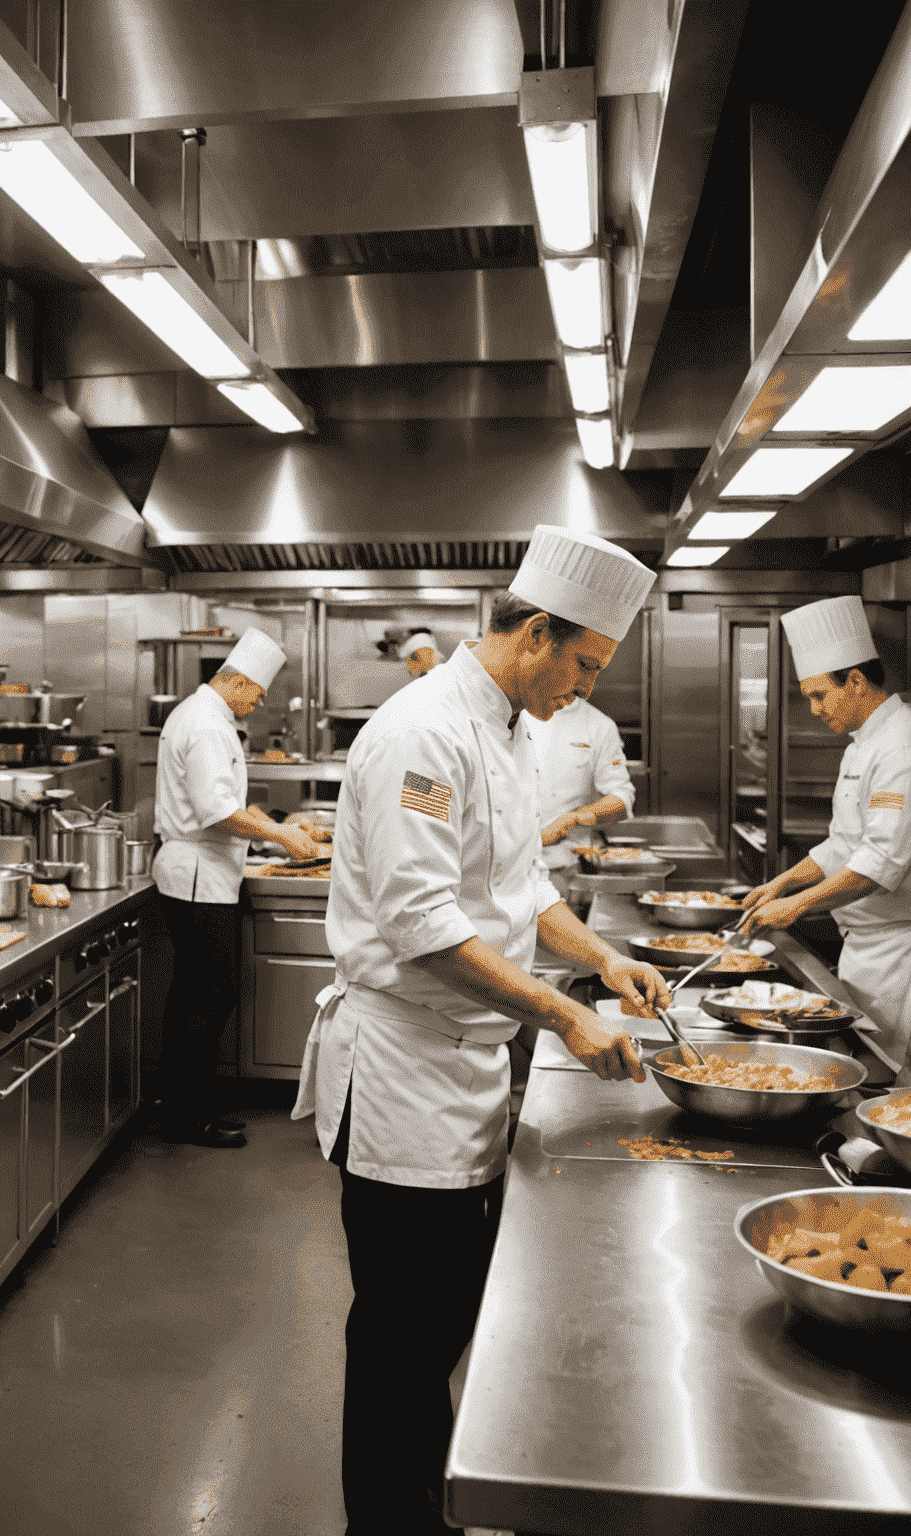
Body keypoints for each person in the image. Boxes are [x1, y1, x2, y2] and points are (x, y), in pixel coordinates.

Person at [293, 524, 668, 1536]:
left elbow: (518, 887)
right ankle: (389, 1520)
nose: (582, 692)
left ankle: (424, 1506)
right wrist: (563, 1016)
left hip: (468, 1064)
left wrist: (601, 961)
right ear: (536, 632)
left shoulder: (508, 726)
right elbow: (425, 929)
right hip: (407, 1073)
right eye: (583, 666)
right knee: (401, 1341)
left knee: (439, 1325)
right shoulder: (427, 733)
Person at [154, 628, 322, 1147]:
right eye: (257, 692)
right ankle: (188, 1117)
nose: (259, 702)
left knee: (194, 998)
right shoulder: (205, 723)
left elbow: (225, 802)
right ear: (236, 680)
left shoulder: (206, 716)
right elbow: (216, 811)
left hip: (200, 873)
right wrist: (281, 836)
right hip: (198, 877)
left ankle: (184, 1106)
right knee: (208, 997)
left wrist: (279, 830)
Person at [744, 595, 911, 1076]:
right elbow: (842, 846)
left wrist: (796, 906)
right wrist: (782, 884)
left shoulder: (899, 747)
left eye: (819, 695)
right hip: (863, 946)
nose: (814, 709)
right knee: (870, 1072)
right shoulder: (863, 744)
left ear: (856, 681)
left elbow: (880, 863)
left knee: (891, 1087)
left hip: (897, 955)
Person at [532, 692, 636, 877]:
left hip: (565, 867)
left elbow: (622, 798)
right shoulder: (515, 716)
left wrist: (573, 819)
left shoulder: (599, 725)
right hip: (506, 864)